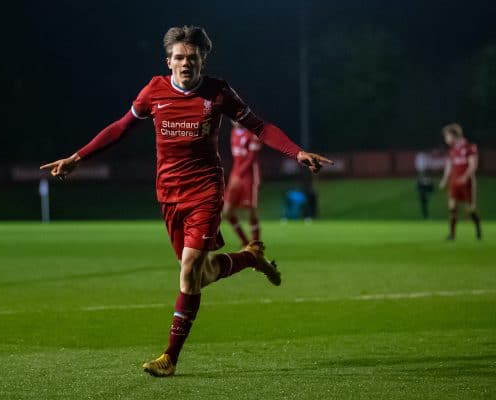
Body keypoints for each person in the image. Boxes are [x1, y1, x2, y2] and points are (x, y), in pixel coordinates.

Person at [40, 26, 332, 377]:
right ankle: (249, 257)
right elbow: (119, 128)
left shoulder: (218, 92)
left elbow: (259, 126)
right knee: (200, 273)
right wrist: (78, 157)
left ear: (202, 61)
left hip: (206, 191)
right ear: (169, 62)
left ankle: (170, 358)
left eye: (192, 58)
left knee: (190, 268)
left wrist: (296, 152)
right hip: (168, 194)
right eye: (178, 57)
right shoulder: (154, 90)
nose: (185, 63)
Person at [438, 123, 481, 240]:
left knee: (470, 209)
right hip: (454, 182)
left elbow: (473, 165)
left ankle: (478, 230)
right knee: (452, 207)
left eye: (447, 136)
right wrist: (444, 180)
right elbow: (449, 167)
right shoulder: (452, 150)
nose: (446, 139)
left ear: (453, 135)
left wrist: (465, 177)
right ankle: (452, 234)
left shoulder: (469, 147)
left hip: (467, 183)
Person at [223, 120, 262, 247]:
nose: (234, 120)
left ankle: (256, 244)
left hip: (248, 177)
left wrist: (239, 175)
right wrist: (236, 175)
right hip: (235, 175)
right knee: (227, 211)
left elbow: (251, 158)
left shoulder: (253, 134)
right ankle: (245, 241)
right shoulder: (233, 133)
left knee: (251, 211)